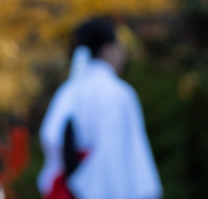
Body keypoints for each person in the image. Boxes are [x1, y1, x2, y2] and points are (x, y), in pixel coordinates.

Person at [37, 18, 162, 199]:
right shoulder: (119, 93)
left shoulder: (67, 91)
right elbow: (128, 155)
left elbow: (51, 138)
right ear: (108, 49)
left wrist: (75, 172)